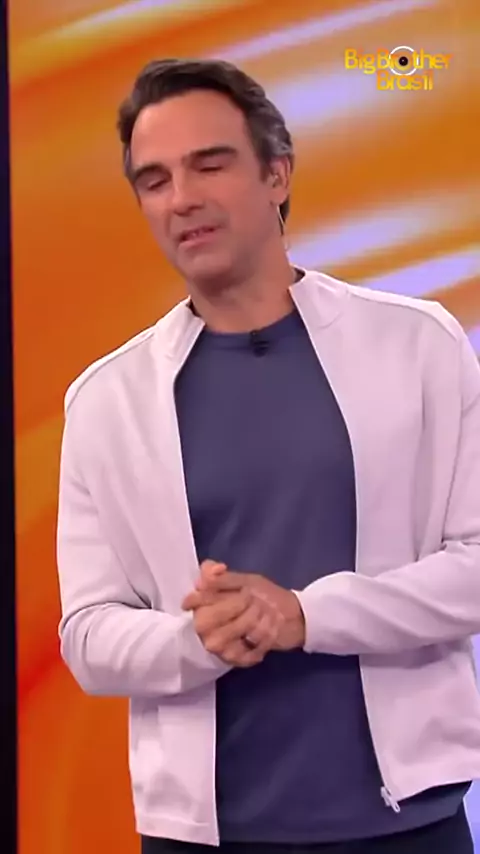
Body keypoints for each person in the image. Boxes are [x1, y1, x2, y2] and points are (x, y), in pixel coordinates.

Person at [56, 58, 480, 854]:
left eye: (209, 165)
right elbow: (87, 635)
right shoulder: (107, 400)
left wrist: (304, 615)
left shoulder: (418, 343)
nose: (182, 198)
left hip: (409, 823)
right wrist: (198, 641)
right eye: (155, 180)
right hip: (202, 836)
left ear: (277, 174)